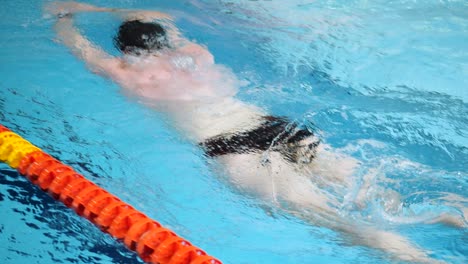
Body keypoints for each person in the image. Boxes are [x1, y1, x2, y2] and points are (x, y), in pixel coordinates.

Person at [45, 2, 444, 263]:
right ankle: (453, 217)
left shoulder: (126, 73)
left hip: (231, 150)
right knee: (372, 186)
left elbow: (73, 43)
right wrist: (110, 8)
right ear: (165, 41)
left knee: (328, 218)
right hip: (277, 126)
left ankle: (413, 258)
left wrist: (65, 14)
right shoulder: (197, 54)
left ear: (125, 51)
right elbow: (159, 17)